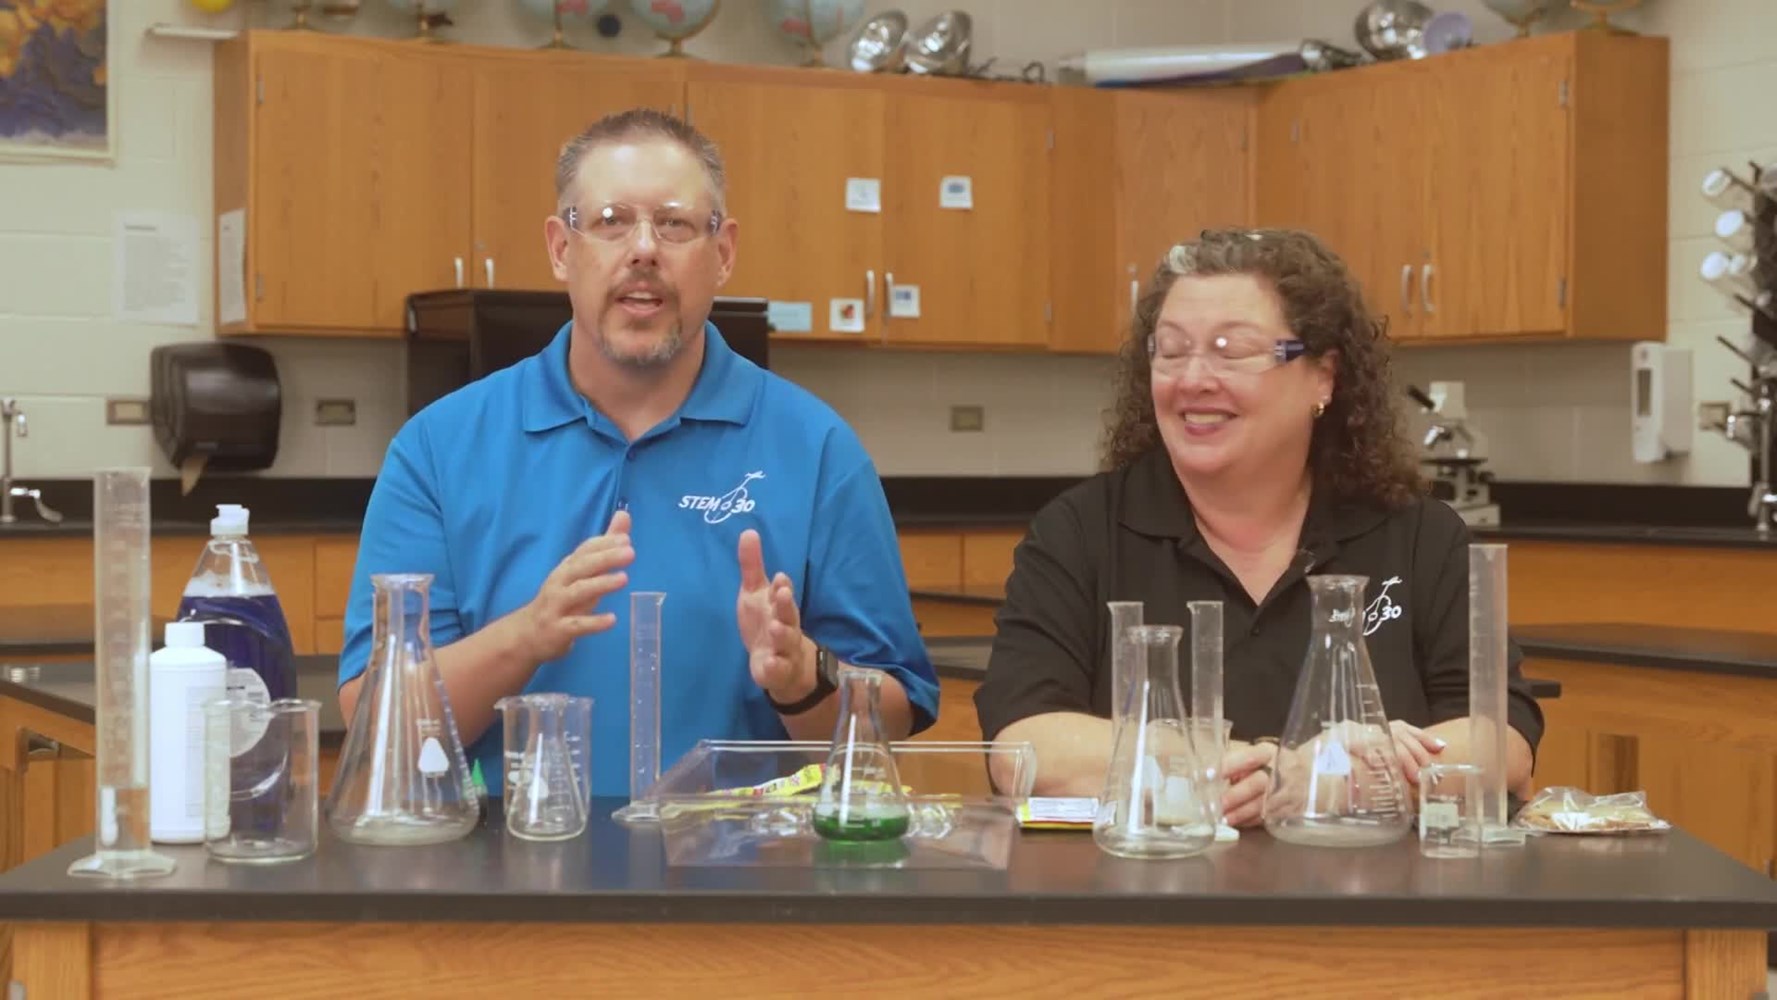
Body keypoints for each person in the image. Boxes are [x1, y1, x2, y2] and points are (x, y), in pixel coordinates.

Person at [336, 108, 939, 799]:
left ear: (724, 252)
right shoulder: (439, 449)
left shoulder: (816, 449)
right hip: (508, 853)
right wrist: (525, 636)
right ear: (561, 248)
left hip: (746, 854)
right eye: (611, 221)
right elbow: (371, 722)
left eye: (675, 224)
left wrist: (804, 680)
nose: (644, 249)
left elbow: (895, 714)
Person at [973, 228, 1543, 826]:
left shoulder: (1419, 535)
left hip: (1369, 879)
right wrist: (1261, 767)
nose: (1193, 378)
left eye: (1232, 350)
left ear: (1324, 376)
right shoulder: (1080, 533)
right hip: (1153, 881)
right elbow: (1022, 748)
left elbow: (1503, 743)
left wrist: (1345, 780)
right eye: (1171, 350)